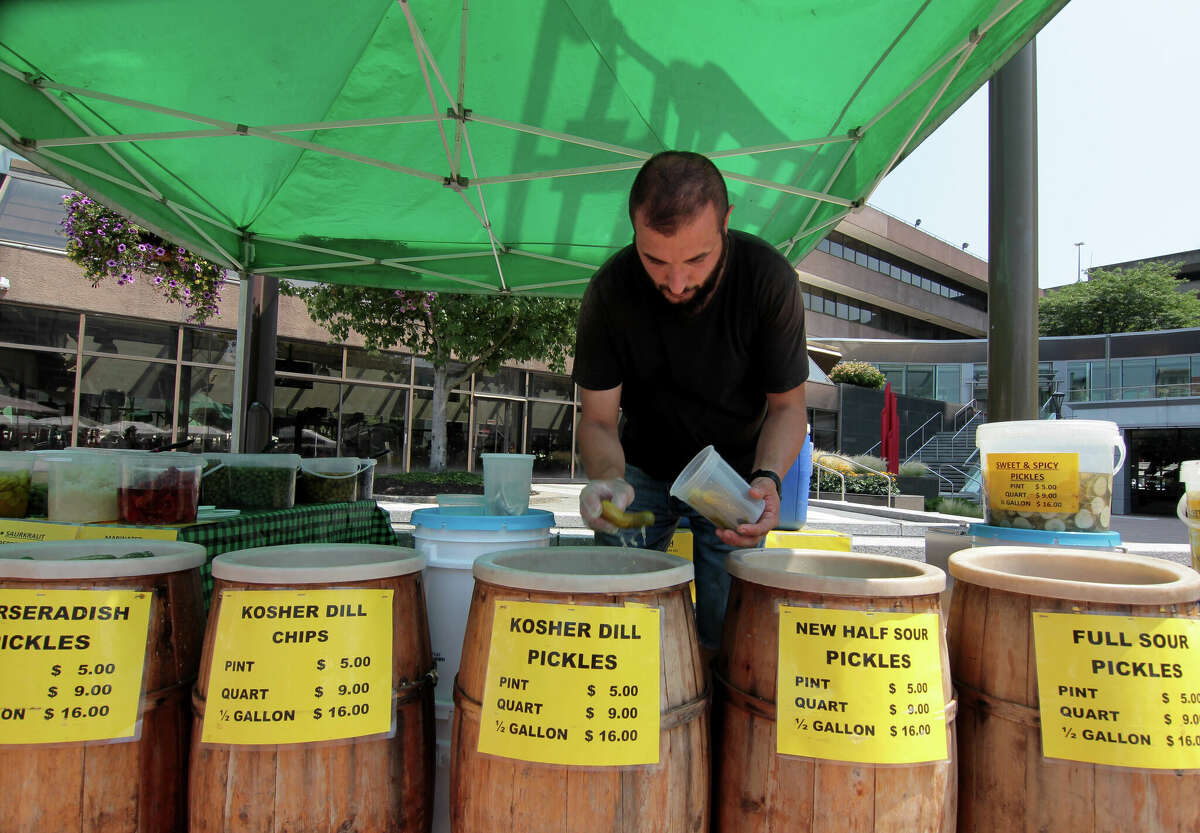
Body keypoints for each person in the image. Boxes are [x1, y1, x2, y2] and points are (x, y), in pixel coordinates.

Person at [572, 150, 809, 653]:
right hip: (640, 467)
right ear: (633, 226)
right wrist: (607, 478)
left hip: (734, 474)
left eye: (696, 259)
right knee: (617, 611)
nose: (675, 283)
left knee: (728, 628)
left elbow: (788, 408)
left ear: (726, 221)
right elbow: (596, 420)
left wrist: (767, 479)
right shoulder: (610, 290)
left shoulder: (769, 280)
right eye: (654, 259)